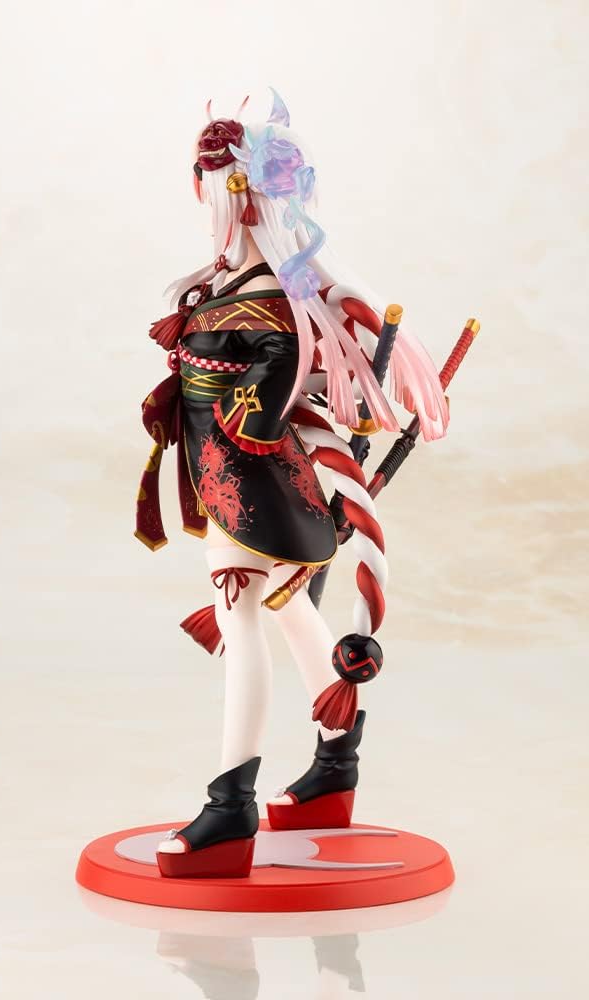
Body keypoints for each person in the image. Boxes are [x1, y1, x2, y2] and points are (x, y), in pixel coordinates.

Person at [136, 90, 449, 878]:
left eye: (207, 179)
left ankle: (230, 806)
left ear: (231, 192)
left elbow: (263, 406)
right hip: (235, 482)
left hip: (250, 489)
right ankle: (335, 763)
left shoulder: (269, 299)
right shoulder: (235, 284)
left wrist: (267, 412)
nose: (201, 191)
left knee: (241, 617)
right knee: (285, 608)